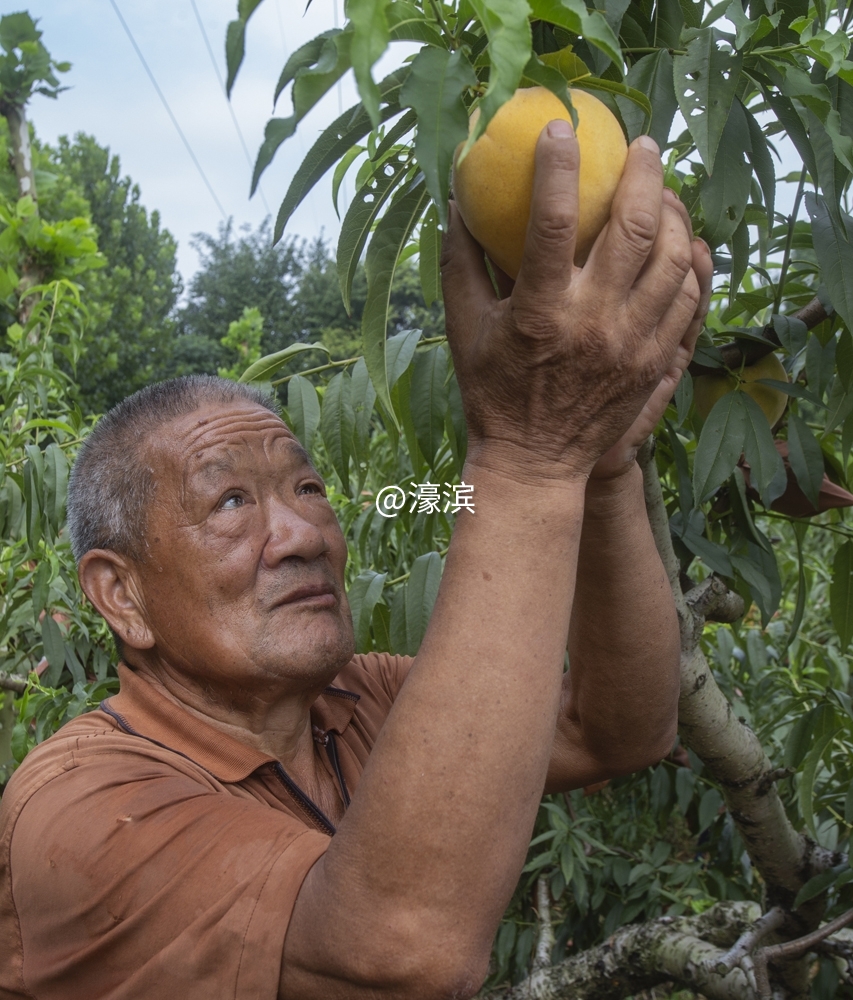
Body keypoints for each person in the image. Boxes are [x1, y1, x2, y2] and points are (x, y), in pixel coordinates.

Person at [0, 123, 712, 1000]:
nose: (303, 535)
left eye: (307, 489)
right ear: (121, 595)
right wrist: (531, 458)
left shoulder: (355, 703)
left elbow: (620, 728)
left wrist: (599, 466)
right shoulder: (82, 805)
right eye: (229, 503)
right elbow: (400, 948)